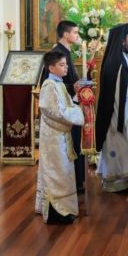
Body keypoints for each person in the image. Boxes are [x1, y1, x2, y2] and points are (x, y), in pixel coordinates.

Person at [96, 24, 128, 192]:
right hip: (118, 113)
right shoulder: (116, 61)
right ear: (122, 41)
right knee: (118, 143)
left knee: (124, 144)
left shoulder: (125, 57)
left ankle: (127, 178)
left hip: (125, 111)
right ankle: (117, 181)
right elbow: (127, 87)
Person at [35, 51, 85, 223]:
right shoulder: (49, 86)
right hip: (53, 138)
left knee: (63, 171)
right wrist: (79, 114)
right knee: (56, 172)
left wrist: (78, 101)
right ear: (51, 68)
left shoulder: (59, 84)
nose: (66, 68)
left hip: (61, 136)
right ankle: (57, 212)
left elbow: (67, 105)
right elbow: (56, 112)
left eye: (66, 64)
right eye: (62, 65)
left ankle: (64, 208)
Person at [54, 21, 85, 192]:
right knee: (72, 141)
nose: (77, 36)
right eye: (75, 33)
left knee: (76, 140)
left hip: (72, 101)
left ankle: (78, 180)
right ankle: (73, 182)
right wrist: (73, 86)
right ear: (66, 35)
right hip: (66, 104)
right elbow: (52, 82)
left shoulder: (65, 51)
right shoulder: (57, 53)